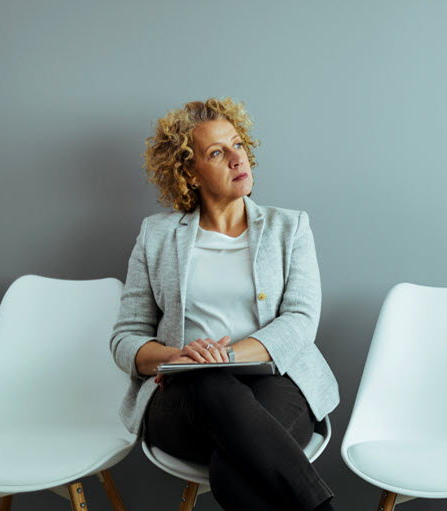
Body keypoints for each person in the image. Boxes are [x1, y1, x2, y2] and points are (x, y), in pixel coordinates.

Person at [110, 98, 339, 511]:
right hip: (185, 397)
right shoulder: (156, 236)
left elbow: (301, 321)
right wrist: (178, 357)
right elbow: (126, 338)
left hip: (277, 383)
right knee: (209, 383)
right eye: (217, 152)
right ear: (189, 172)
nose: (238, 158)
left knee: (232, 471)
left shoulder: (290, 227)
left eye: (238, 144)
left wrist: (225, 356)